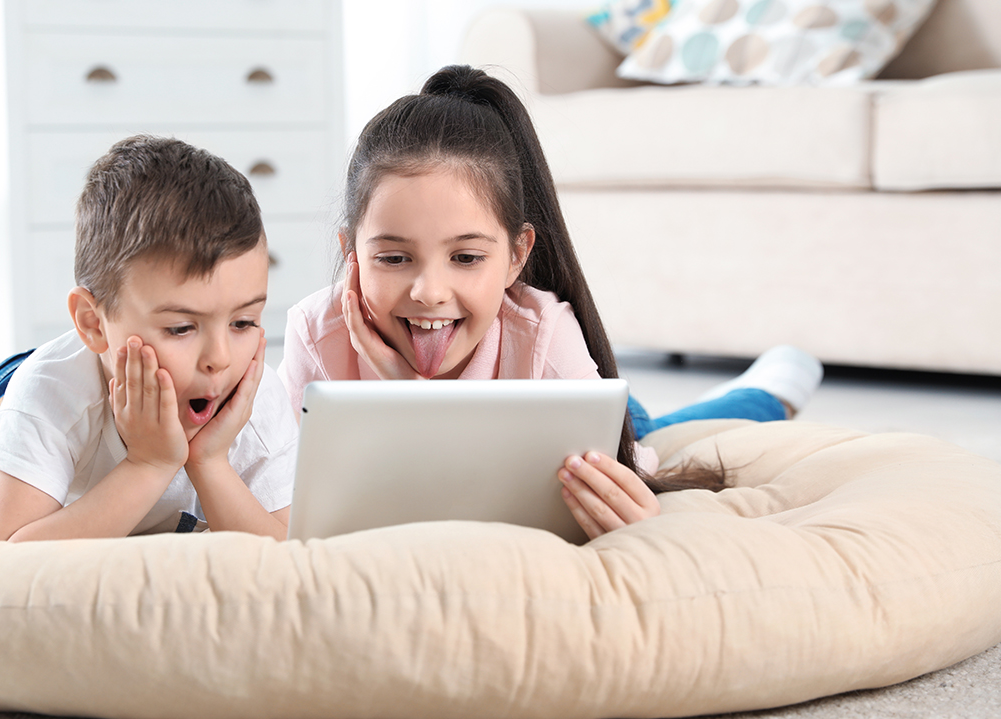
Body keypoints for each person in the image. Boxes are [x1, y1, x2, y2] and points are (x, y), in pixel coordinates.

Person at [277, 65, 822, 540]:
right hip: (563, 402)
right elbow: (289, 494)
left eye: (466, 258)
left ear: (516, 257)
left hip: (570, 395)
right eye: (393, 259)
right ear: (351, 252)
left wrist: (641, 515)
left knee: (654, 430)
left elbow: (615, 490)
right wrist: (406, 399)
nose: (429, 291)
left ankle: (767, 387)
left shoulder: (544, 336)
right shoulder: (313, 332)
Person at [0, 135, 298, 542]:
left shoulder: (255, 395)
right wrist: (149, 464)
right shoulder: (50, 396)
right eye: (181, 328)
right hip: (2, 399)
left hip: (96, 359)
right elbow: (6, 554)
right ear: (93, 322)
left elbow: (286, 551)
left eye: (244, 322)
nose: (220, 358)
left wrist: (209, 461)